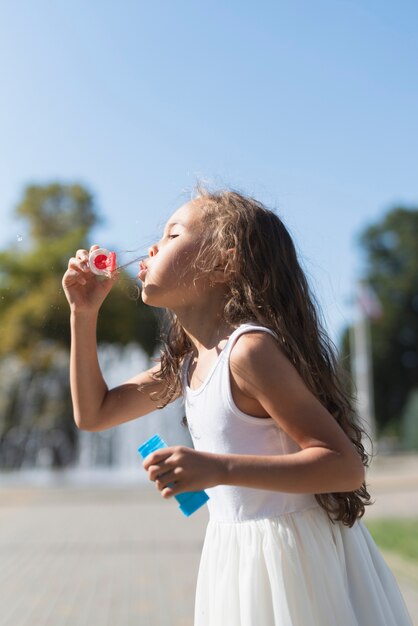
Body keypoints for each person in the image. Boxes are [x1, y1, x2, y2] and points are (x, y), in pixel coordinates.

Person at [62, 185, 412, 626]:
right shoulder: (185, 367)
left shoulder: (247, 353)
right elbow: (94, 414)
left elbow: (343, 465)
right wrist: (83, 313)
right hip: (237, 558)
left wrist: (219, 468)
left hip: (295, 562)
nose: (152, 245)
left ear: (224, 261)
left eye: (173, 235)